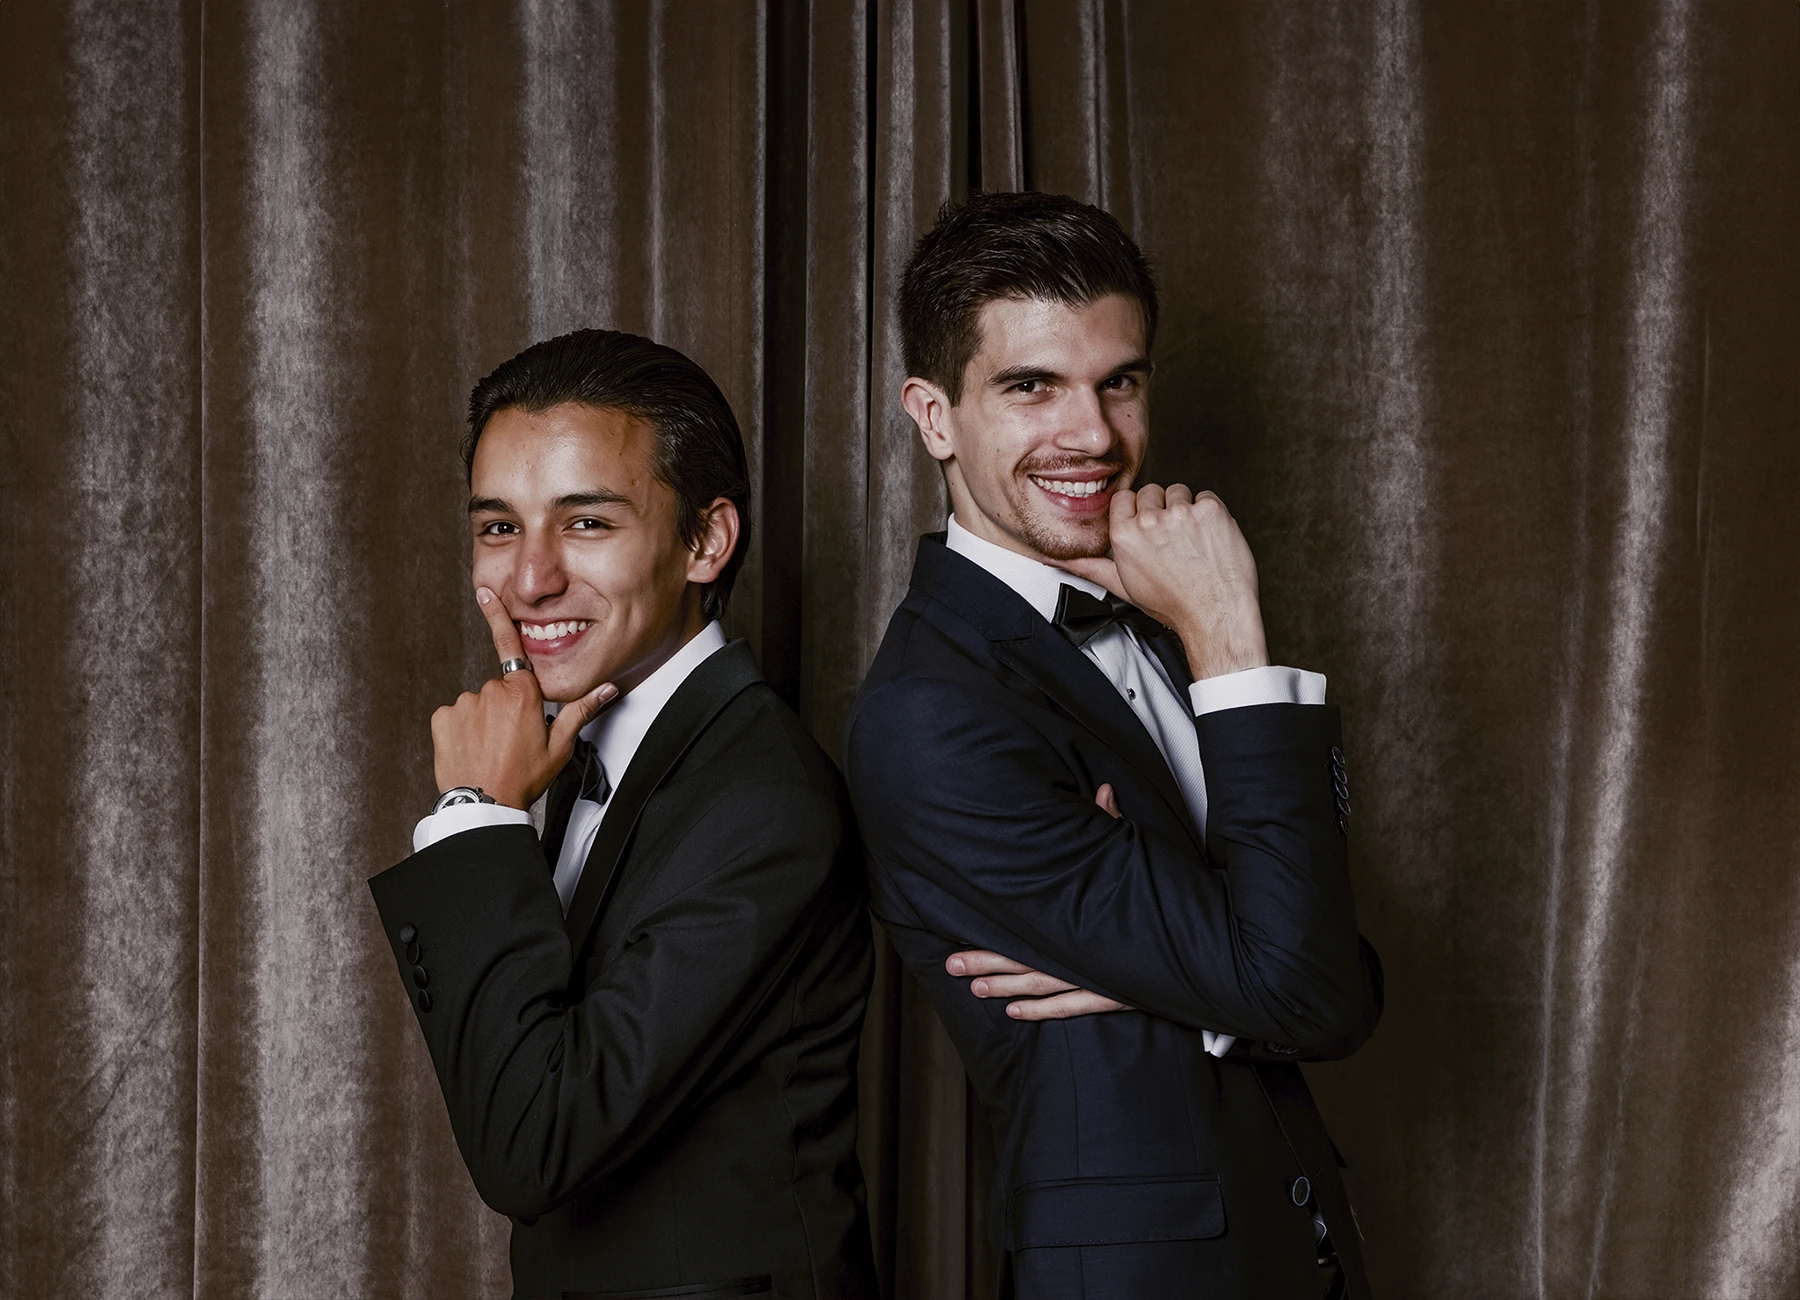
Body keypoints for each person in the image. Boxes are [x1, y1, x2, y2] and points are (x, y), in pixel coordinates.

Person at [844, 191, 1383, 1299]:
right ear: (934, 415)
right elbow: (1304, 990)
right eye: (1030, 385)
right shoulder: (931, 710)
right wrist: (1233, 639)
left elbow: (1334, 971)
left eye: (1119, 382)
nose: (1090, 434)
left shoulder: (1157, 613)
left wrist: (1202, 964)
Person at [369, 329, 878, 1300]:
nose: (529, 580)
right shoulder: (587, 742)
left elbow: (533, 1143)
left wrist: (476, 815)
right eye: (499, 527)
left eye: (587, 523)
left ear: (705, 540)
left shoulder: (758, 794)